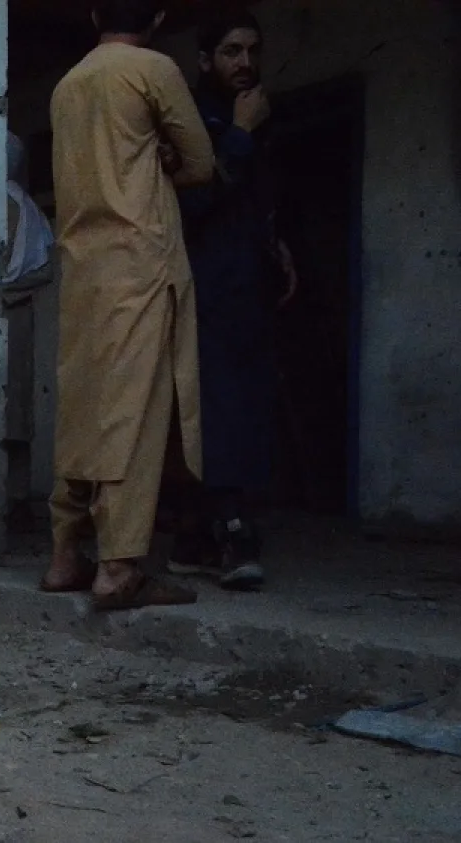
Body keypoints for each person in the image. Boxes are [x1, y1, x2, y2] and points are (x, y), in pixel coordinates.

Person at [41, 0, 215, 611]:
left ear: (93, 15)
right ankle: (117, 567)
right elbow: (200, 162)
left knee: (84, 405)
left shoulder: (68, 84)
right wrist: (161, 162)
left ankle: (65, 554)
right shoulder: (153, 69)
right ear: (160, 17)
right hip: (141, 261)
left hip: (84, 266)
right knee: (134, 412)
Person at [169, 10, 295, 591]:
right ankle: (232, 530)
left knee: (247, 404)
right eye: (230, 51)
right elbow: (194, 204)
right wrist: (239, 134)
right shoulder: (193, 119)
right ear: (205, 60)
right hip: (206, 288)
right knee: (218, 408)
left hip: (249, 287)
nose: (245, 62)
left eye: (252, 49)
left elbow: (256, 199)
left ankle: (193, 538)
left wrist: (277, 245)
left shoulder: (258, 115)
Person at [0, 132, 56, 530]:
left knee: (1, 409)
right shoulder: (30, 208)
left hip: (1, 315)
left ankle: (8, 499)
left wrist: (3, 291)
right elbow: (47, 268)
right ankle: (13, 497)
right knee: (14, 411)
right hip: (16, 315)